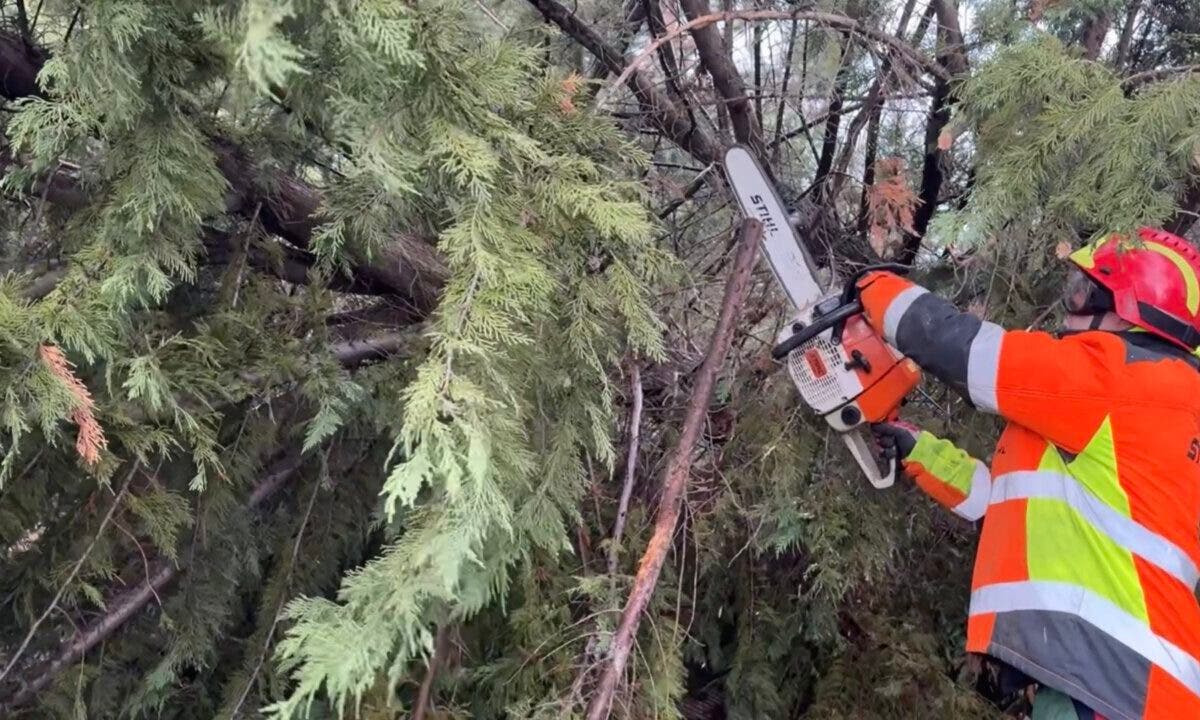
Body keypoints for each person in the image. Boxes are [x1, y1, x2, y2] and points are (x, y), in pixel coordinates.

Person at [862, 227, 1200, 720]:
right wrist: (923, 454)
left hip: (1114, 682)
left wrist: (867, 288)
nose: (1071, 306)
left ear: (1132, 307)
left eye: (1083, 292)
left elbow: (975, 355)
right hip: (1130, 685)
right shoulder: (1161, 404)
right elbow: (1011, 507)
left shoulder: (1124, 377)